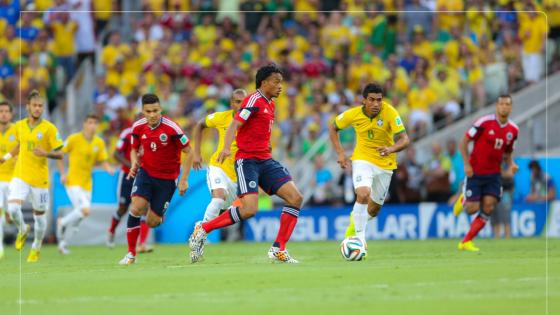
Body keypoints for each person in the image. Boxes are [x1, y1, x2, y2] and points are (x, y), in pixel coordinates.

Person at [189, 64, 304, 264]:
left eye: (281, 82)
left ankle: (279, 249)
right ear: (264, 82)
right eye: (276, 82)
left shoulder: (270, 104)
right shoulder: (253, 100)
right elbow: (235, 123)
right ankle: (204, 228)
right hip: (247, 161)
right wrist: (226, 148)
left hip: (265, 159)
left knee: (295, 197)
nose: (280, 86)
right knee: (249, 210)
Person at [328, 83, 410, 248]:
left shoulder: (390, 112)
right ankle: (360, 240)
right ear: (363, 100)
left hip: (385, 163)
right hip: (362, 159)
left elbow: (405, 139)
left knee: (373, 210)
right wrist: (341, 153)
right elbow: (333, 128)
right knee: (363, 193)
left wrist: (391, 148)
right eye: (371, 100)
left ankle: (354, 221)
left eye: (379, 100)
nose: (376, 104)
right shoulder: (353, 114)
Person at [119, 94, 193, 265]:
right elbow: (133, 149)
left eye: (155, 111)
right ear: (142, 111)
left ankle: (157, 214)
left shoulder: (172, 128)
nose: (152, 115)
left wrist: (184, 180)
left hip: (167, 180)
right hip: (146, 173)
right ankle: (131, 254)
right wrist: (134, 162)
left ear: (161, 109)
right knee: (135, 208)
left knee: (153, 222)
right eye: (148, 111)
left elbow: (189, 151)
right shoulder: (137, 127)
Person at [0, 90, 64, 262]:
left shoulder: (49, 128)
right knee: (12, 209)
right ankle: (23, 228)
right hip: (20, 175)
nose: (37, 109)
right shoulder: (19, 126)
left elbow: (61, 154)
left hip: (40, 180)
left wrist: (45, 153)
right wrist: (5, 158)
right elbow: (19, 146)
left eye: (40, 106)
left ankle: (36, 246)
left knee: (40, 219)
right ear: (27, 107)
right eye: (34, 105)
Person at [453, 95, 519, 252]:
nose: (504, 107)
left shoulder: (513, 130)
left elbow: (507, 152)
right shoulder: (484, 122)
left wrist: (511, 164)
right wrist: (467, 164)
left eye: (507, 104)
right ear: (496, 106)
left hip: (494, 175)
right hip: (475, 172)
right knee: (472, 209)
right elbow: (463, 142)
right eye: (501, 104)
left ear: (511, 108)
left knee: (489, 207)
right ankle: (464, 199)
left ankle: (466, 241)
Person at [56, 114, 113, 254]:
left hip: (87, 183)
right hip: (73, 181)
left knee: (81, 216)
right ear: (84, 124)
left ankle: (63, 243)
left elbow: (103, 160)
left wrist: (108, 169)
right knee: (85, 209)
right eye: (90, 122)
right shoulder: (74, 139)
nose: (92, 125)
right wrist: (63, 173)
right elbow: (59, 153)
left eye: (95, 123)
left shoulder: (98, 143)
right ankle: (62, 222)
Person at [192, 89, 247, 222]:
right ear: (231, 103)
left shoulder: (252, 121)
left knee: (222, 211)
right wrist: (197, 153)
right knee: (218, 199)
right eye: (237, 102)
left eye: (244, 102)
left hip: (236, 176)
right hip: (219, 166)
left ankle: (203, 231)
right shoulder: (222, 117)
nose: (241, 106)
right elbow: (200, 124)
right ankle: (200, 232)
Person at [107, 125, 154, 253]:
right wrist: (133, 165)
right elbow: (116, 154)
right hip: (127, 177)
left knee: (144, 208)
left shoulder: (153, 133)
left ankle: (142, 244)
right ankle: (111, 231)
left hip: (144, 176)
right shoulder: (127, 133)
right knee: (123, 208)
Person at [0, 101, 17, 260]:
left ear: (11, 114)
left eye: (6, 111)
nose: (3, 114)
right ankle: (0, 247)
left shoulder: (17, 130)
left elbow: (23, 149)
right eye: (1, 111)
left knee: (10, 215)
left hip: (13, 180)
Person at [492, 163, 514, 239]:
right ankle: (497, 236)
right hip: (494, 192)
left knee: (506, 216)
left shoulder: (508, 162)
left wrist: (498, 171)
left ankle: (507, 236)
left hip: (505, 192)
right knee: (495, 216)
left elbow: (510, 174)